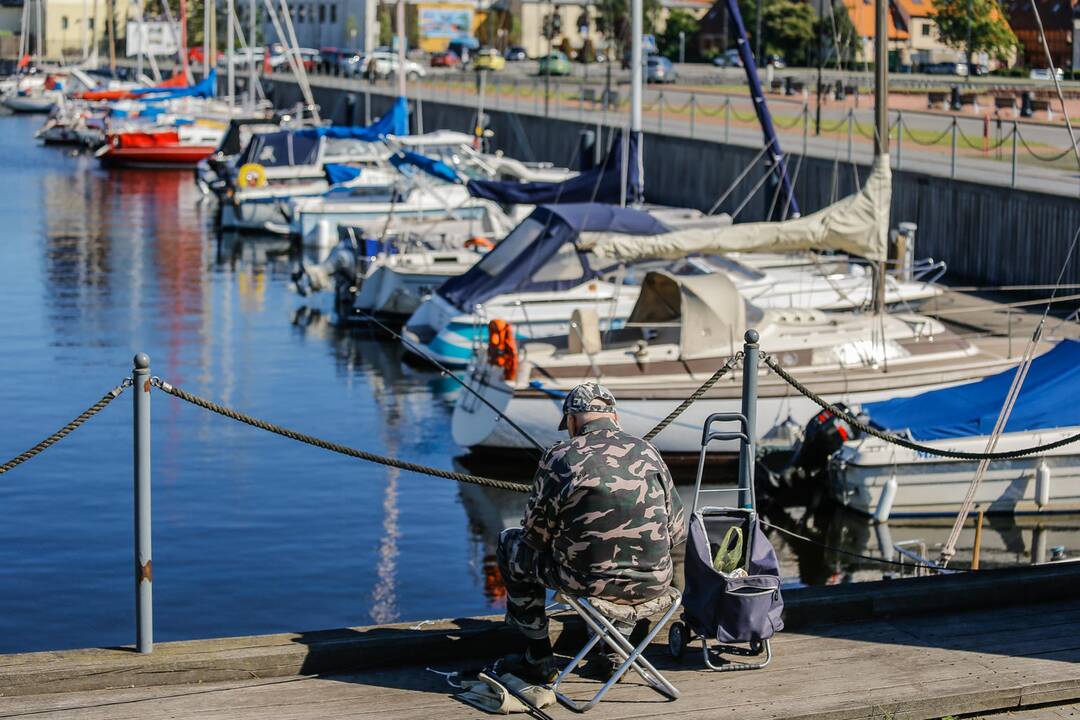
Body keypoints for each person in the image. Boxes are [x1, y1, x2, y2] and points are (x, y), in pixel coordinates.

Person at [495, 382, 687, 684]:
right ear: (614, 417)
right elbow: (676, 531)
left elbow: (534, 537)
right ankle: (613, 653)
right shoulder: (649, 452)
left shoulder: (559, 457)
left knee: (509, 543)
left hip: (588, 584)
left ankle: (538, 657)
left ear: (572, 421)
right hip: (654, 584)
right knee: (615, 554)